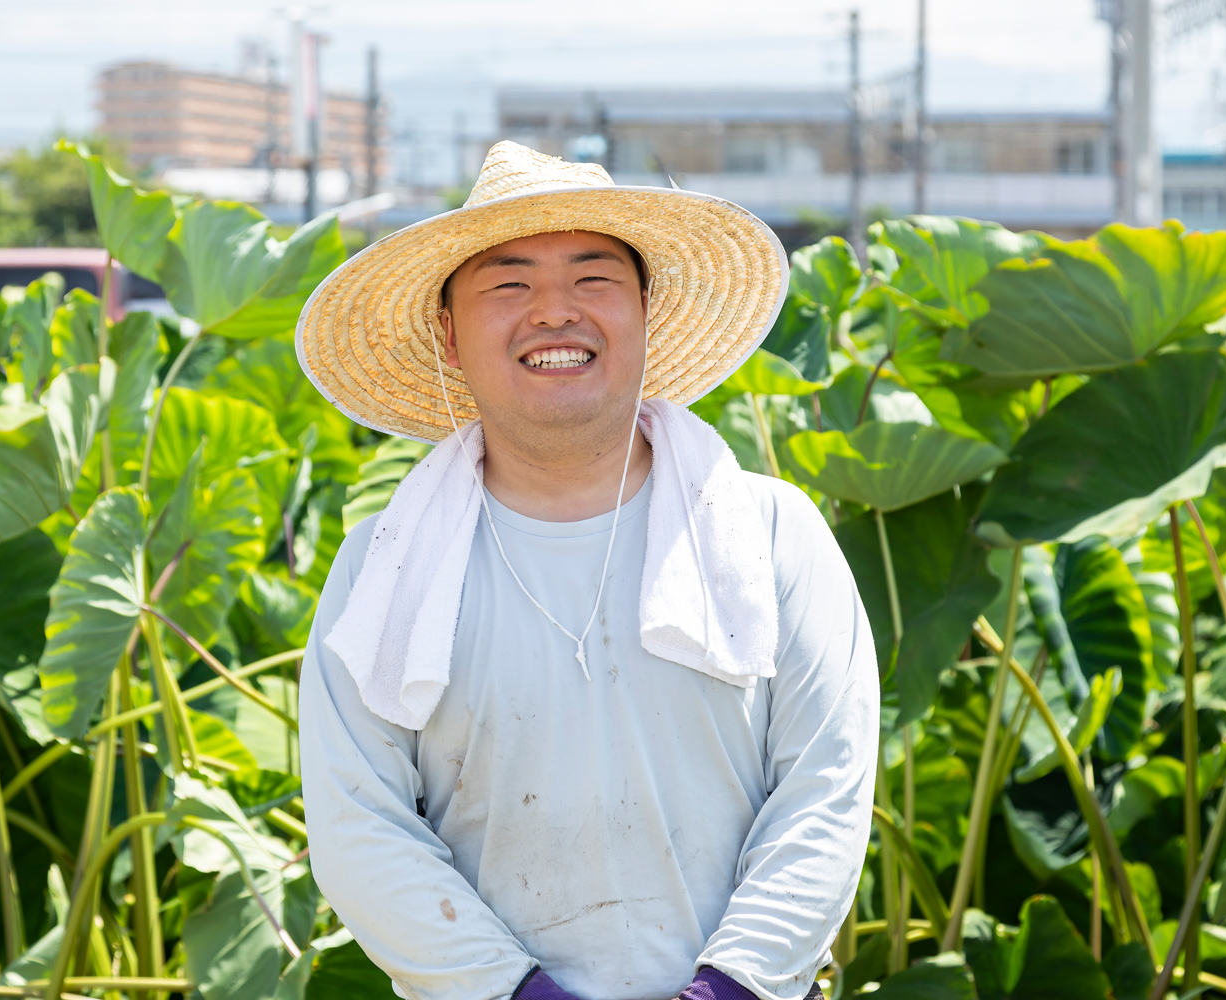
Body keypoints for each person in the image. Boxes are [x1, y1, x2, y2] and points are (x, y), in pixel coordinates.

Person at [294, 141, 879, 1000]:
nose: (554, 313)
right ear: (449, 336)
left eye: (594, 279)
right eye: (508, 284)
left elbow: (825, 791)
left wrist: (730, 988)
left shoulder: (770, 534)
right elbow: (358, 824)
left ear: (648, 311)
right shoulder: (382, 570)